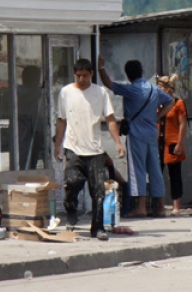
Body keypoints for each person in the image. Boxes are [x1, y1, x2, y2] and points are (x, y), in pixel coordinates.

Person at [54, 58, 126, 240]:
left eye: (85, 76)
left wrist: (117, 142)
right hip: (73, 147)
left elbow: (110, 119)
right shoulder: (66, 93)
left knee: (98, 192)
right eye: (78, 76)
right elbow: (61, 120)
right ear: (74, 75)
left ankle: (98, 227)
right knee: (73, 181)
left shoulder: (100, 93)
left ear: (91, 74)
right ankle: (71, 206)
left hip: (95, 150)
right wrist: (58, 145)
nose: (82, 79)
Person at [98, 57, 175, 218]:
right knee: (155, 169)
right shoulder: (154, 89)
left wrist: (101, 68)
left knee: (137, 170)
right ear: (141, 72)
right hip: (151, 133)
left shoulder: (131, 90)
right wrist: (158, 117)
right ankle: (160, 207)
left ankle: (141, 207)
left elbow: (109, 84)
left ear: (128, 75)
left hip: (136, 134)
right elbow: (170, 102)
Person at [156, 74, 187, 216]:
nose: (159, 89)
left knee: (175, 175)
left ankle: (176, 206)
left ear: (169, 89)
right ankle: (160, 206)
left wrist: (180, 143)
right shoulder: (157, 103)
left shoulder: (178, 103)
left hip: (173, 142)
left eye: (162, 87)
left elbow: (182, 124)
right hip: (158, 143)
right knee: (157, 174)